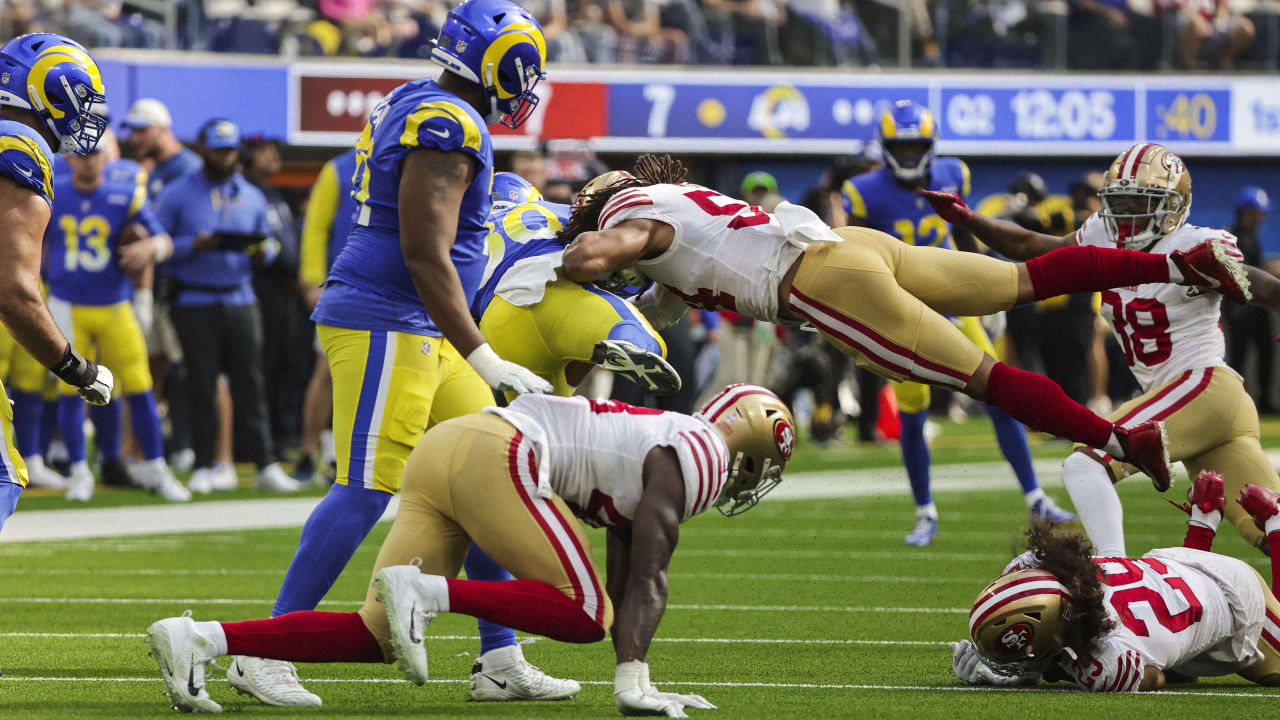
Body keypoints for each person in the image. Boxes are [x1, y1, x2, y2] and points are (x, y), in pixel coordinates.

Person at [237, 1, 575, 706]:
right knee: (365, 486)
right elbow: (424, 252)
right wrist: (483, 353)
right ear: (497, 59)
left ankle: (499, 657)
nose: (529, 83)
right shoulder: (445, 123)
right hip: (389, 317)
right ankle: (261, 649)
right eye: (524, 66)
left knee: (487, 478)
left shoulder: (426, 103)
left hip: (420, 322)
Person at [560, 153, 1249, 493]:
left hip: (817, 284)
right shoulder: (679, 201)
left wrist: (561, 260)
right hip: (849, 244)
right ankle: (1180, 264)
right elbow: (648, 307)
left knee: (985, 376)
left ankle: (1125, 442)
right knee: (1023, 282)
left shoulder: (629, 216)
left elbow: (604, 252)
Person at [145, 384, 794, 715]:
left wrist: (634, 679)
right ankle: (432, 595)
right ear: (756, 440)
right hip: (500, 452)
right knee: (583, 611)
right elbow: (647, 577)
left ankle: (203, 638)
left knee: (379, 634)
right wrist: (635, 679)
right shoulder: (706, 451)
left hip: (450, 447)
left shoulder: (670, 440)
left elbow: (629, 574)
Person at [925, 143, 1280, 550]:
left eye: (1140, 203)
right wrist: (970, 220)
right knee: (1268, 528)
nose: (1126, 215)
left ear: (1175, 206)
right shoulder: (1101, 233)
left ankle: (1114, 583)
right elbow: (1032, 249)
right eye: (1120, 202)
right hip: (1195, 406)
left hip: (1204, 387)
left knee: (1085, 462)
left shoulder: (1197, 247)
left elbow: (1266, 289)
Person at [842, 100, 1072, 546]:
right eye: (900, 149)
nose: (908, 158)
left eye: (916, 148)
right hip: (899, 308)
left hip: (951, 298)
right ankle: (925, 511)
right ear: (885, 147)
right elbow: (851, 255)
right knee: (914, 412)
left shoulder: (953, 174)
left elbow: (964, 235)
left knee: (1000, 393)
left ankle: (1036, 496)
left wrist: (989, 294)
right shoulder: (862, 191)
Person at [952, 474, 1280, 691]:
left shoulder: (1104, 662)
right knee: (1180, 662)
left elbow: (1154, 679)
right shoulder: (1047, 568)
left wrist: (1054, 667)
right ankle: (1203, 519)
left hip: (1236, 601)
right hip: (1174, 571)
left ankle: (1276, 522)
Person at [0, 33, 115, 532]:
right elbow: (13, 290)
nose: (88, 112)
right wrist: (76, 369)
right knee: (3, 475)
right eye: (84, 96)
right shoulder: (19, 147)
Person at [153, 118, 299, 495]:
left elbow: (269, 245)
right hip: (194, 297)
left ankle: (265, 463)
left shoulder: (250, 194)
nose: (226, 156)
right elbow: (158, 243)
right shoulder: (177, 192)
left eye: (231, 150)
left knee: (252, 380)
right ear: (203, 150)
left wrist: (264, 250)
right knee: (200, 383)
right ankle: (205, 463)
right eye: (219, 150)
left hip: (240, 295)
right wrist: (192, 245)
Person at [45, 129, 189, 502]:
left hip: (113, 302)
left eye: (96, 154)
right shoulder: (54, 190)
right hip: (66, 301)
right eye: (83, 154)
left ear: (106, 158)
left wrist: (149, 248)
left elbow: (165, 241)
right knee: (69, 390)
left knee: (140, 385)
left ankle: (156, 466)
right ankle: (79, 471)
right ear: (71, 158)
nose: (90, 161)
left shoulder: (126, 194)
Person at [476, 171, 677, 398]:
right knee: (631, 330)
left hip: (495, 322)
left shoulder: (466, 238)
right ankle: (635, 341)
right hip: (547, 288)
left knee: (538, 420)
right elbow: (593, 254)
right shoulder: (555, 213)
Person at [294, 147, 357, 484]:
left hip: (387, 289)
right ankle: (308, 453)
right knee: (327, 371)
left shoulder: (407, 164)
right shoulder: (340, 169)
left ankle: (344, 458)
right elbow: (316, 227)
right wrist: (312, 282)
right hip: (342, 285)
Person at [1225, 186, 1274, 413]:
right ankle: (1238, 404)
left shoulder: (1250, 236)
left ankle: (1262, 401)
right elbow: (1242, 272)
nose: (1261, 218)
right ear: (1247, 211)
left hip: (1253, 306)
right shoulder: (1234, 237)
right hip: (1240, 306)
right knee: (1239, 357)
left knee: (1265, 352)